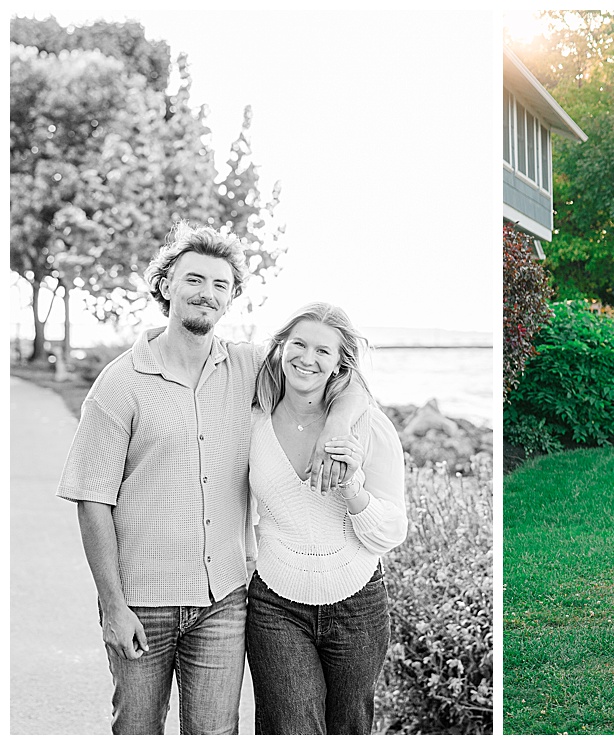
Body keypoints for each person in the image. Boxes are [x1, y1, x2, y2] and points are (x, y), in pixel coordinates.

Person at [56, 223, 366, 734]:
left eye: (220, 285)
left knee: (217, 735)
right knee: (136, 730)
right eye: (194, 280)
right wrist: (112, 607)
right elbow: (91, 500)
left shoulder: (248, 367)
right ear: (165, 286)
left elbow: (341, 376)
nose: (207, 293)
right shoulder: (119, 384)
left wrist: (335, 425)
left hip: (223, 601)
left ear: (231, 298)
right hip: (141, 601)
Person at [246, 302, 407, 734]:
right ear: (281, 347)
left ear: (340, 365)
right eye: (298, 344)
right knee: (290, 728)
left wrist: (353, 487)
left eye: (323, 351)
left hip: (358, 603)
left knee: (349, 729)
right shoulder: (251, 421)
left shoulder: (367, 426)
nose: (307, 358)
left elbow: (391, 531)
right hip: (275, 603)